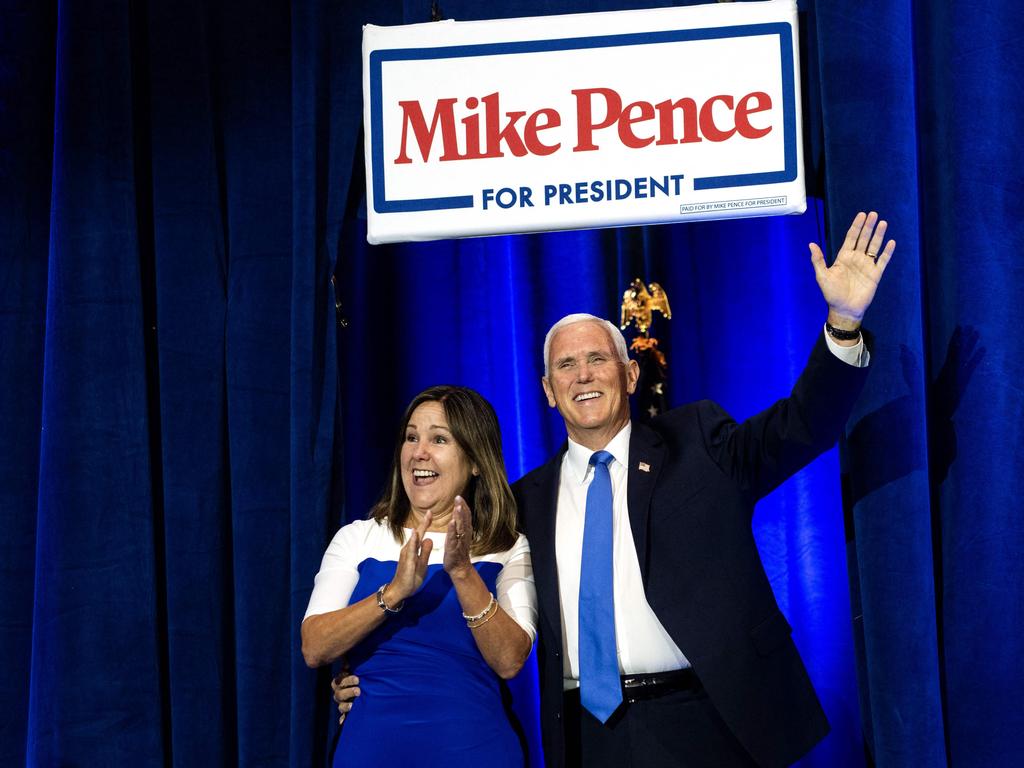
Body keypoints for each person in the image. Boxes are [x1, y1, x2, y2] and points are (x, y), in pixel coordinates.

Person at [334, 211, 894, 767]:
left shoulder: (698, 443)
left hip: (711, 721)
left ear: (629, 376)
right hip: (587, 737)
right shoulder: (524, 502)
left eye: (598, 359)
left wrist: (843, 322)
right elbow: (475, 609)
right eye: (566, 366)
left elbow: (801, 427)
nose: (582, 375)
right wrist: (367, 677)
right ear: (549, 392)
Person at [303, 385, 537, 767]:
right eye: (411, 437)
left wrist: (462, 573)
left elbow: (510, 660)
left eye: (439, 439)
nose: (419, 452)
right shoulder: (358, 538)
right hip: (372, 751)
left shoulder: (508, 547)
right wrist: (394, 593)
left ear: (476, 461)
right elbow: (314, 646)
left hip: (476, 750)